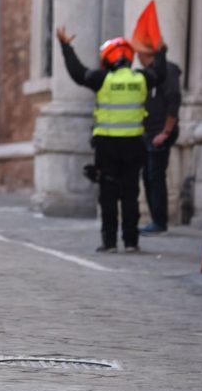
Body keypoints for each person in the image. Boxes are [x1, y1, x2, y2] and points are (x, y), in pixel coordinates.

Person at [56, 26, 167, 252]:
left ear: (107, 58)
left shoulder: (102, 79)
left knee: (108, 193)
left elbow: (78, 73)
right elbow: (160, 72)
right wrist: (161, 50)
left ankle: (109, 242)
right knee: (130, 193)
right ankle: (131, 242)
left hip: (107, 145)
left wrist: (66, 47)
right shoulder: (141, 79)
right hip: (134, 143)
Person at [135, 44, 181, 235]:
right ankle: (155, 220)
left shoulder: (167, 71)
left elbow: (173, 100)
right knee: (148, 177)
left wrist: (166, 132)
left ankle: (160, 222)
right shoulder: (148, 73)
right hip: (147, 133)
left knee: (156, 177)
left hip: (159, 133)